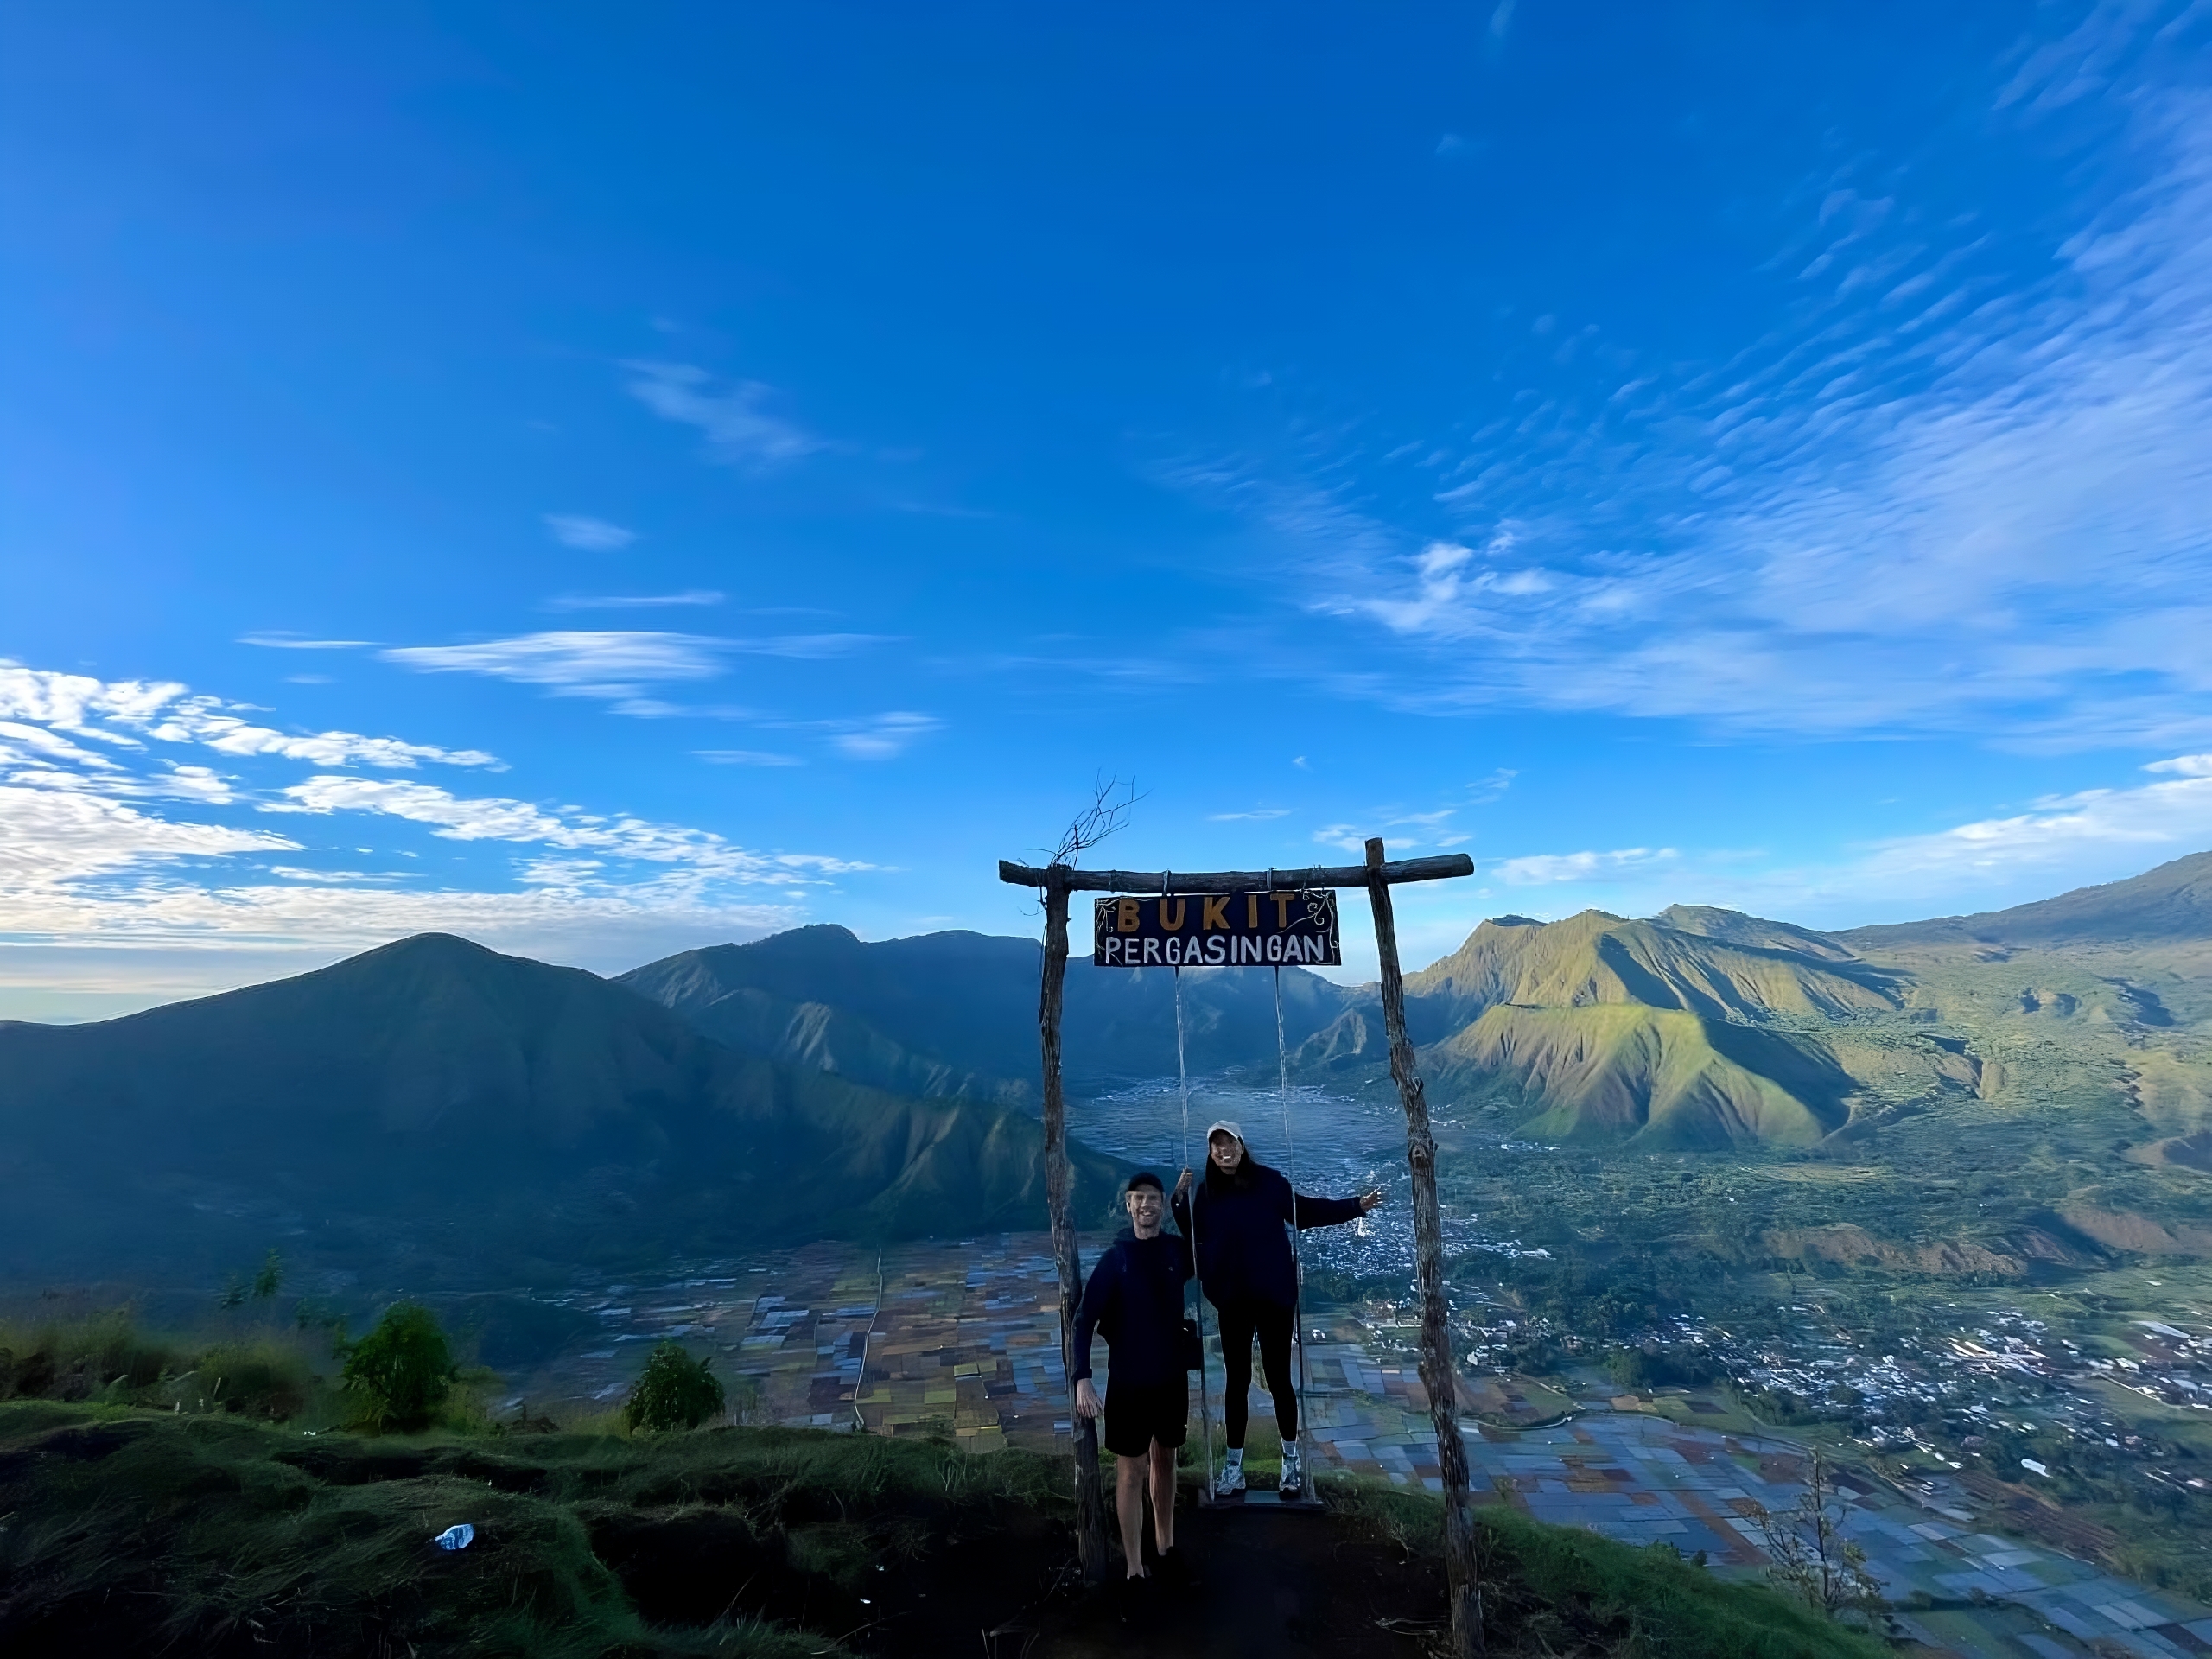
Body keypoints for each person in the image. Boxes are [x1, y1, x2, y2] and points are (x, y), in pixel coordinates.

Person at [1173, 1121, 1382, 1499]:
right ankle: (1233, 1469)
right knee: (1236, 1384)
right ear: (1210, 1152)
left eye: (1229, 1144)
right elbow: (1194, 1236)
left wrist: (1356, 1207)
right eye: (1216, 1147)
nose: (1224, 1152)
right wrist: (1178, 1201)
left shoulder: (1270, 1183)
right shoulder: (1207, 1193)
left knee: (1279, 1380)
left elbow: (1303, 1212)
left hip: (1273, 1299)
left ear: (1241, 1146)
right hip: (1234, 1301)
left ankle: (1290, 1464)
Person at [1072, 1170, 1194, 1581]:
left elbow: (1204, 1249)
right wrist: (1082, 1378)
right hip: (1128, 1382)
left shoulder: (1177, 1252)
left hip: (1171, 1378)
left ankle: (1165, 1546)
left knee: (1166, 1461)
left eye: (1153, 1199)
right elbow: (1084, 1319)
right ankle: (1134, 1568)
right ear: (1128, 1206)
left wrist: (1182, 1202)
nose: (1145, 1205)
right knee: (1131, 1471)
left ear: (1161, 1205)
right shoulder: (1116, 1260)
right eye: (1138, 1199)